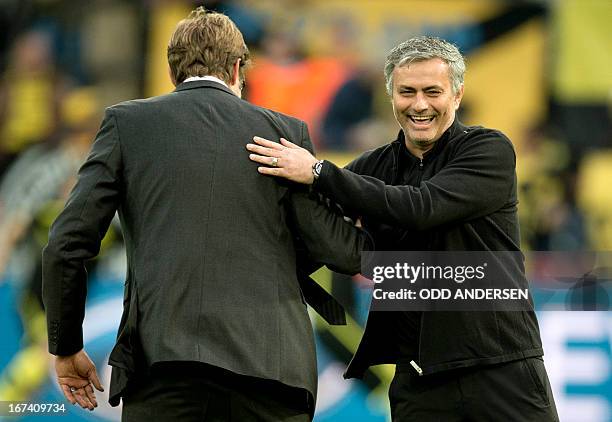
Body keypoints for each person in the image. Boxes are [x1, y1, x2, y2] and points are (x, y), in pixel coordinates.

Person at [42, 7, 367, 421]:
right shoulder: (285, 133)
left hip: (163, 370)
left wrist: (66, 346)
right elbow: (339, 250)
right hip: (272, 374)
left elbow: (66, 245)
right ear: (237, 69)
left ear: (173, 71)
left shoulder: (127, 124)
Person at [247, 36, 559, 421]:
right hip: (417, 380)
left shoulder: (488, 150)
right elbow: (315, 228)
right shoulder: (372, 166)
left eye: (433, 91)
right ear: (391, 96)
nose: (420, 104)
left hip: (502, 368)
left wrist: (316, 171)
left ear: (457, 95)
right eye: (407, 92)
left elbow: (421, 207)